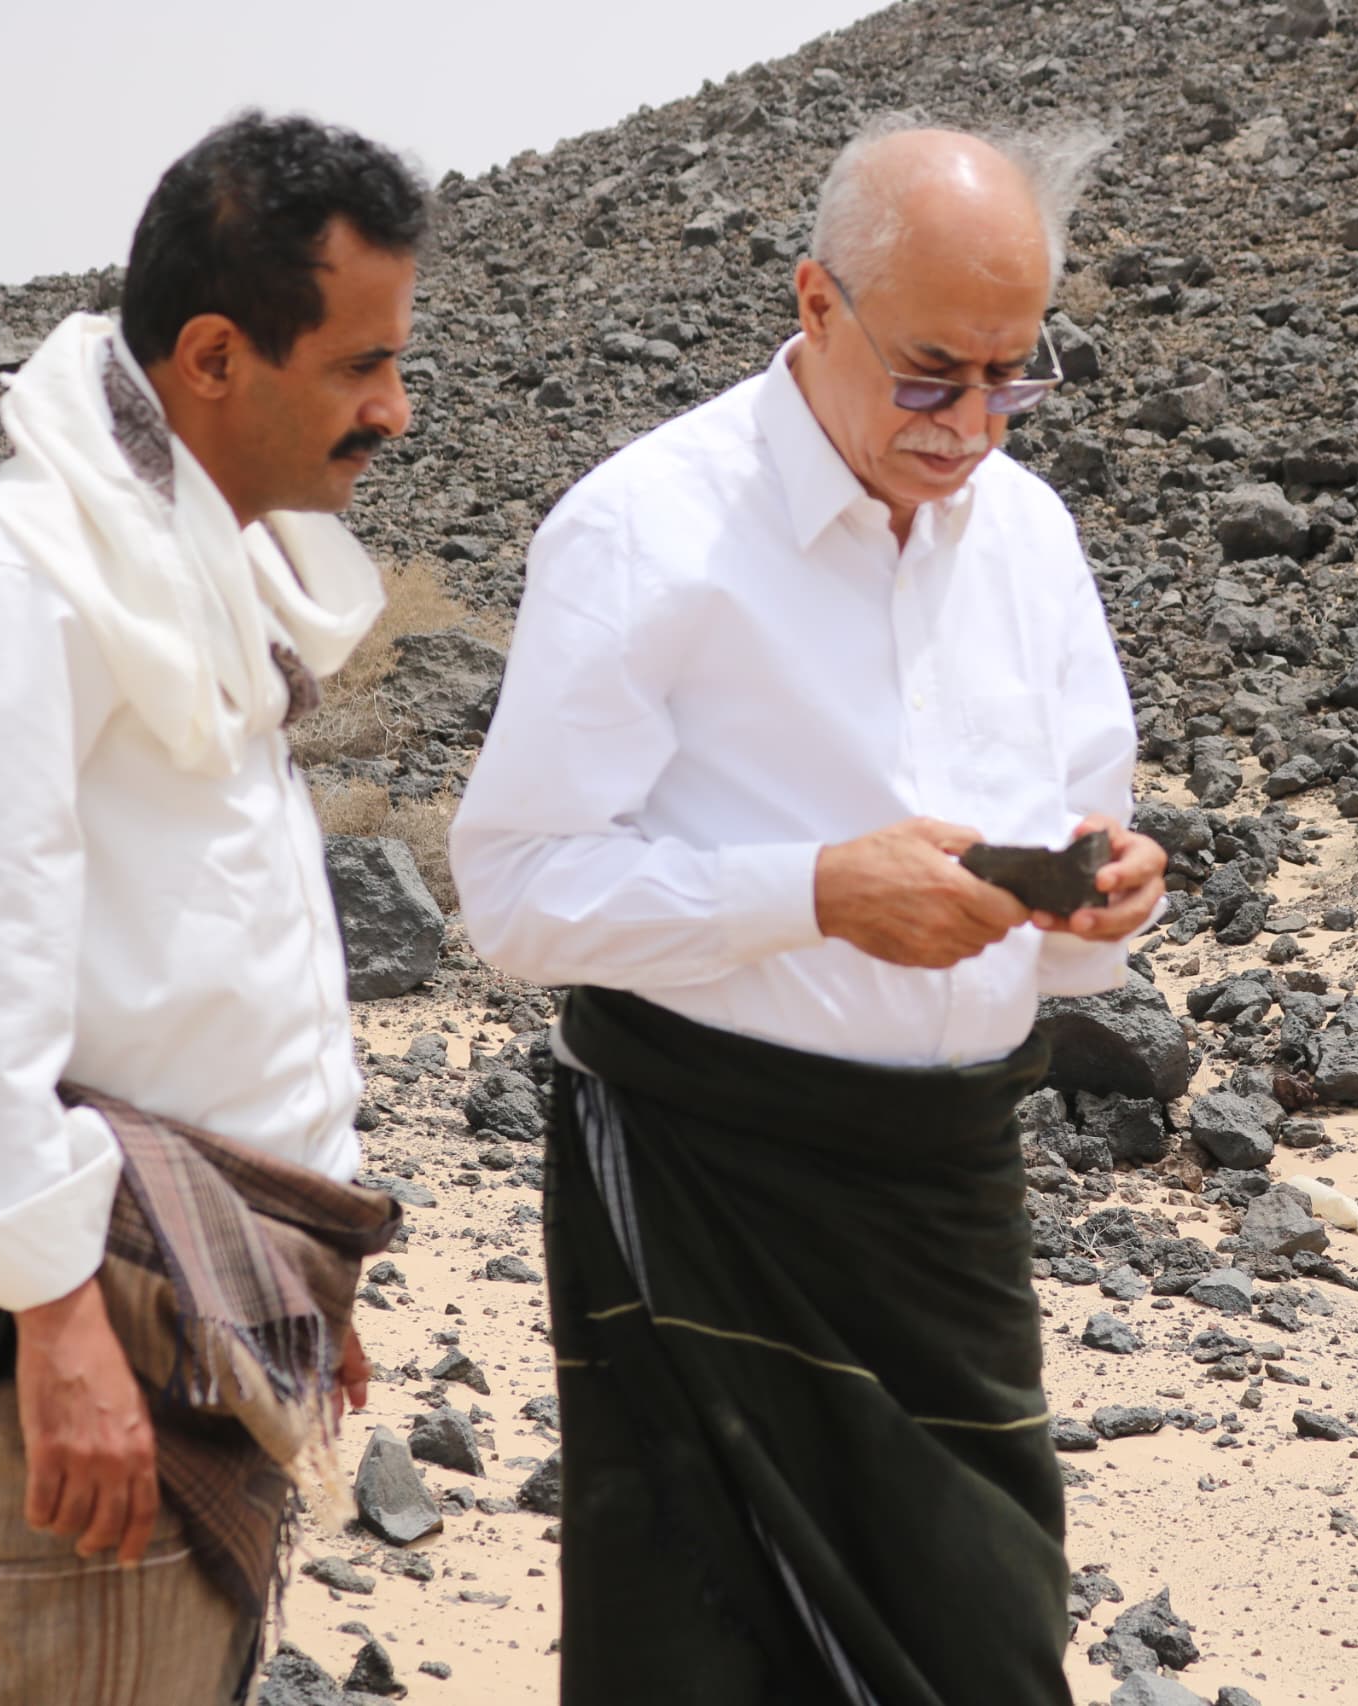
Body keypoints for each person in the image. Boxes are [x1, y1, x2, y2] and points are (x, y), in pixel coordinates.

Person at [451, 118, 1164, 1705]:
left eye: (1014, 376)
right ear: (818, 303)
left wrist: (1100, 896)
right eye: (931, 374)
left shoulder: (1029, 538)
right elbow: (514, 890)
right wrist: (818, 893)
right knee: (702, 1656)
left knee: (986, 1644)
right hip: (706, 1178)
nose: (970, 424)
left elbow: (1072, 856)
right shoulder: (644, 531)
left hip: (950, 1192)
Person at [0, 112, 423, 1705]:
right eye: (361, 364)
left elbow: (218, 959)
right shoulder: (17, 585)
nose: (395, 408)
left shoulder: (196, 574)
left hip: (204, 1305)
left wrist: (289, 1279)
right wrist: (59, 1324)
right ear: (217, 355)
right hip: (81, 1339)